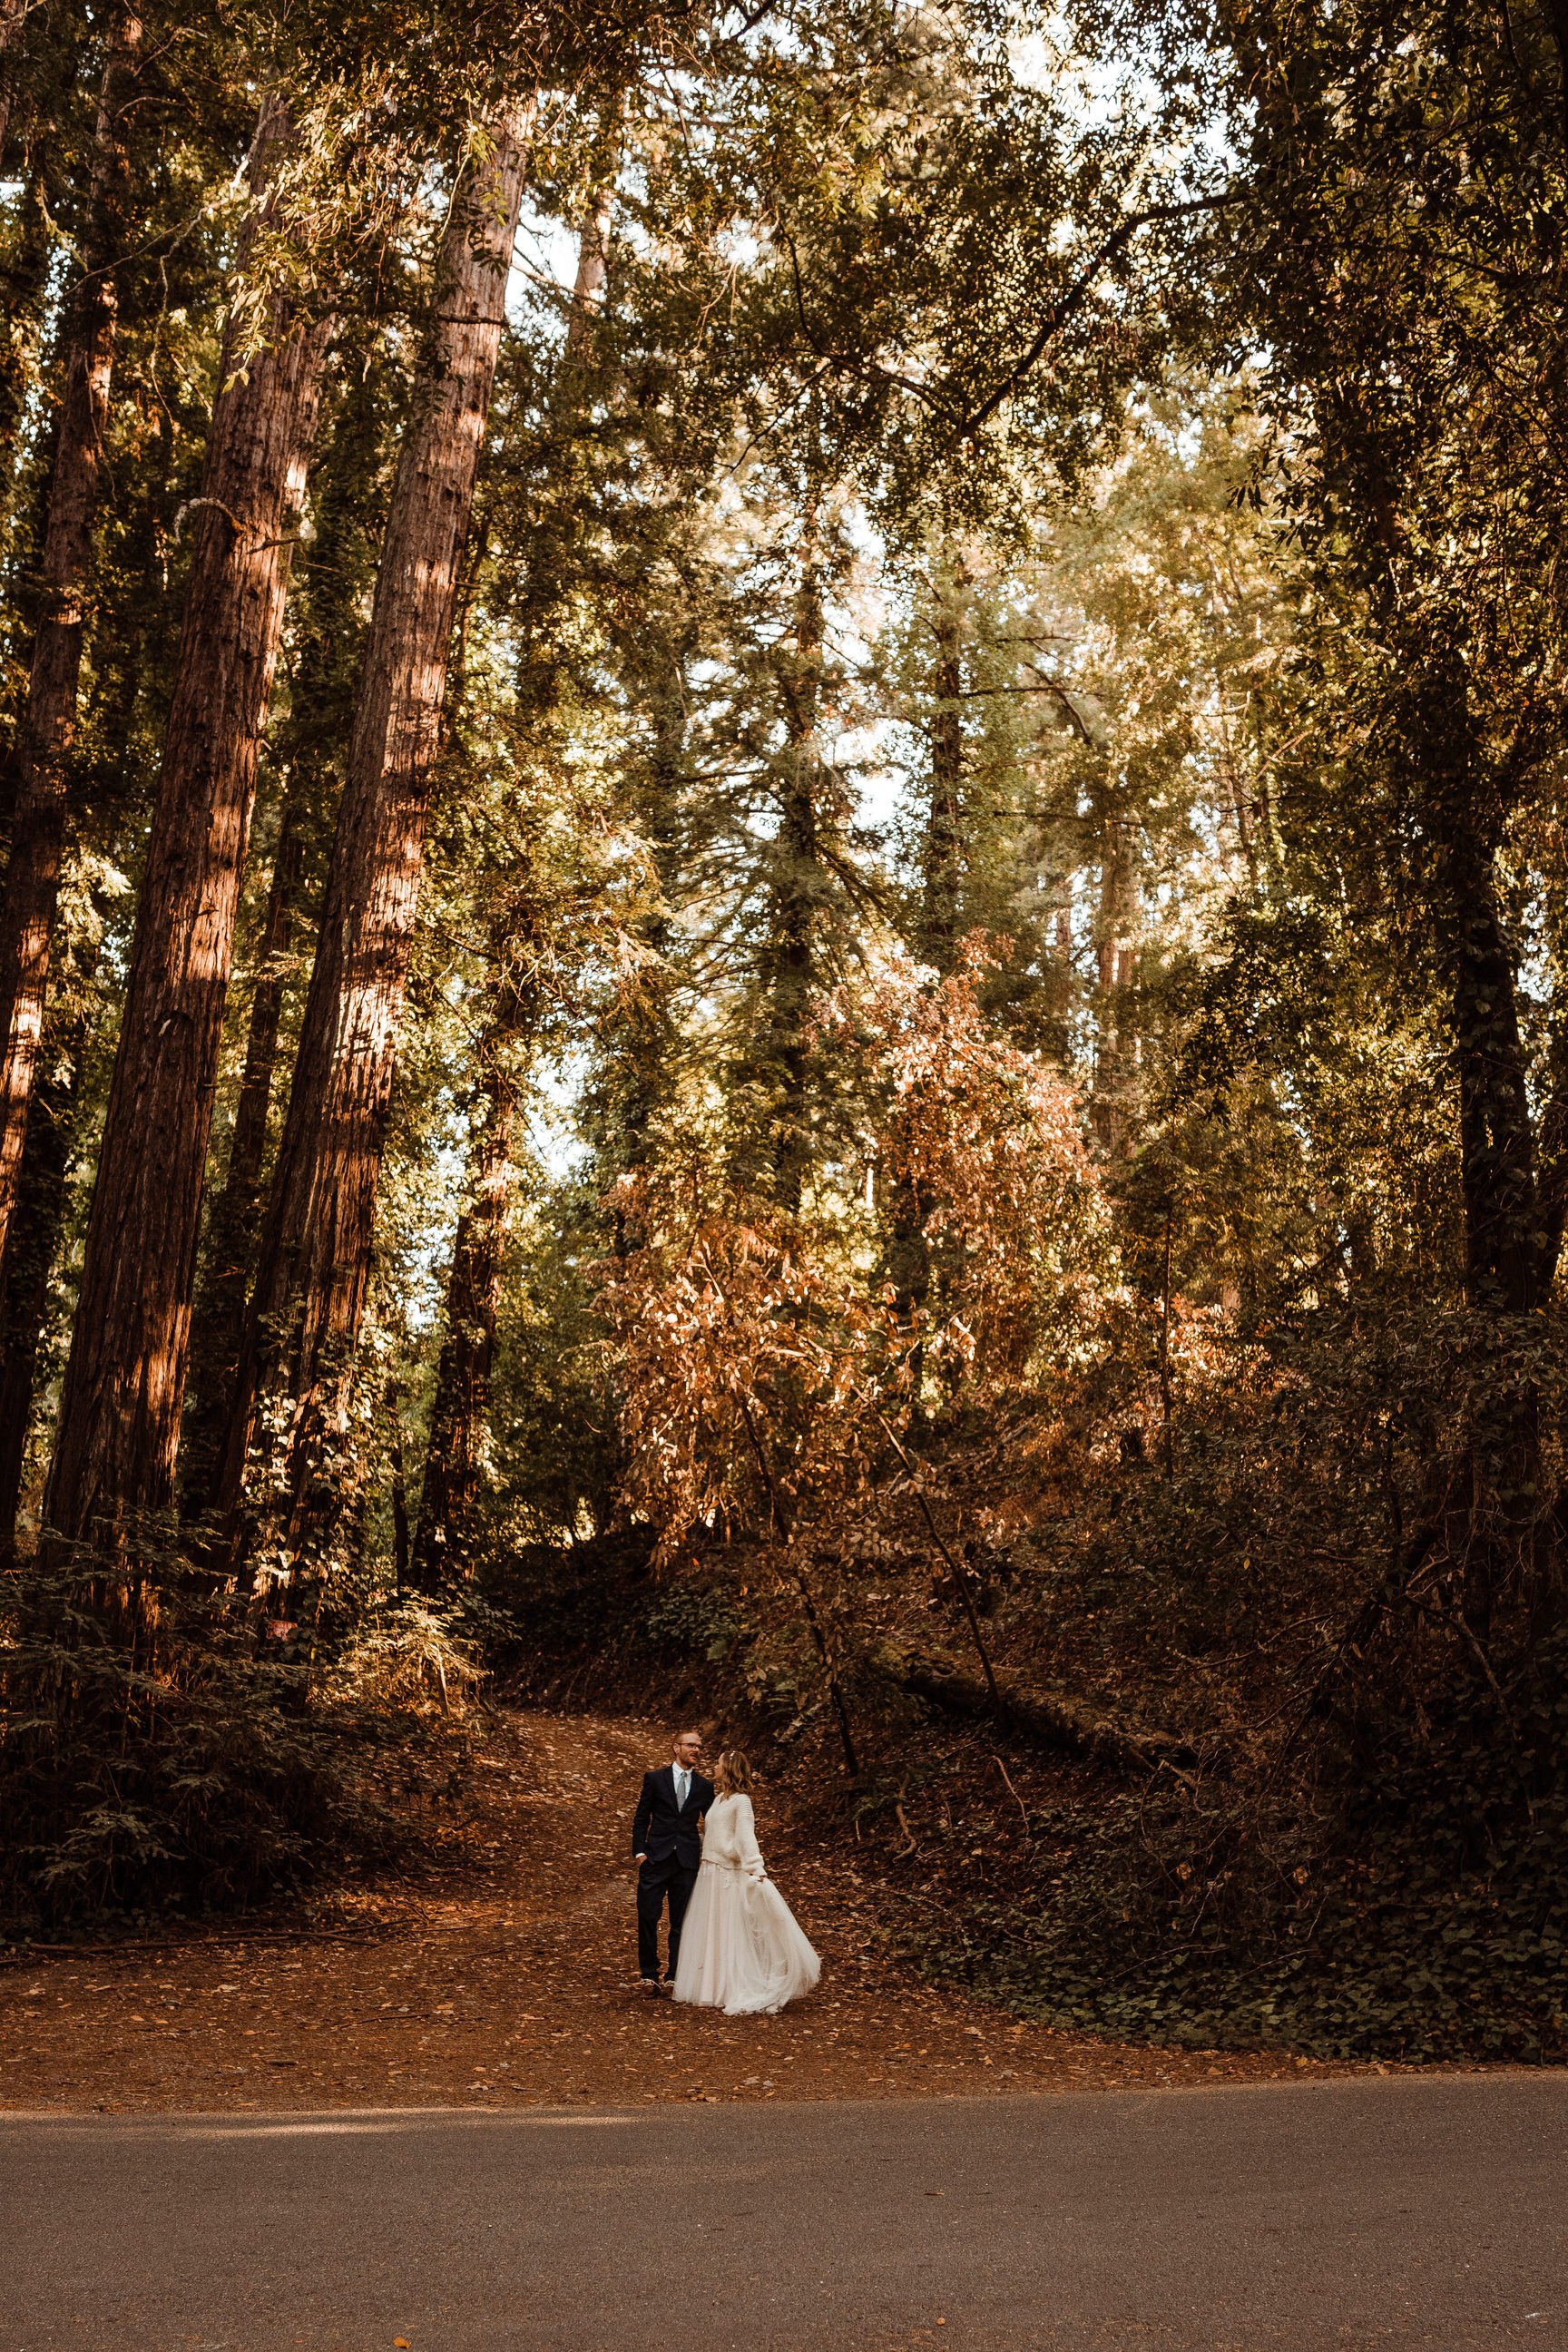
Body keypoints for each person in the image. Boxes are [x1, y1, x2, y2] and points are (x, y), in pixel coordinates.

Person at [672, 1749, 820, 2015]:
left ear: (728, 1768)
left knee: (729, 1929)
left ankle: (731, 1986)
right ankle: (710, 1986)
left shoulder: (742, 1802)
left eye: (718, 1764)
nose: (714, 1768)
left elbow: (745, 1836)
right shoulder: (718, 1799)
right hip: (710, 1872)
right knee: (711, 1928)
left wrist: (755, 1866)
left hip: (728, 1872)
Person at [632, 1728, 715, 1994]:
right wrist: (640, 1853)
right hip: (655, 1858)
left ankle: (675, 1975)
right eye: (691, 1745)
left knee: (682, 1921)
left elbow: (713, 1823)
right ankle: (648, 1974)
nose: (696, 1751)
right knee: (647, 1916)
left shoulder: (704, 1786)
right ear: (676, 1747)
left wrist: (709, 1855)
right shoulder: (655, 1779)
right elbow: (641, 1817)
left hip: (687, 1861)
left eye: (699, 1747)